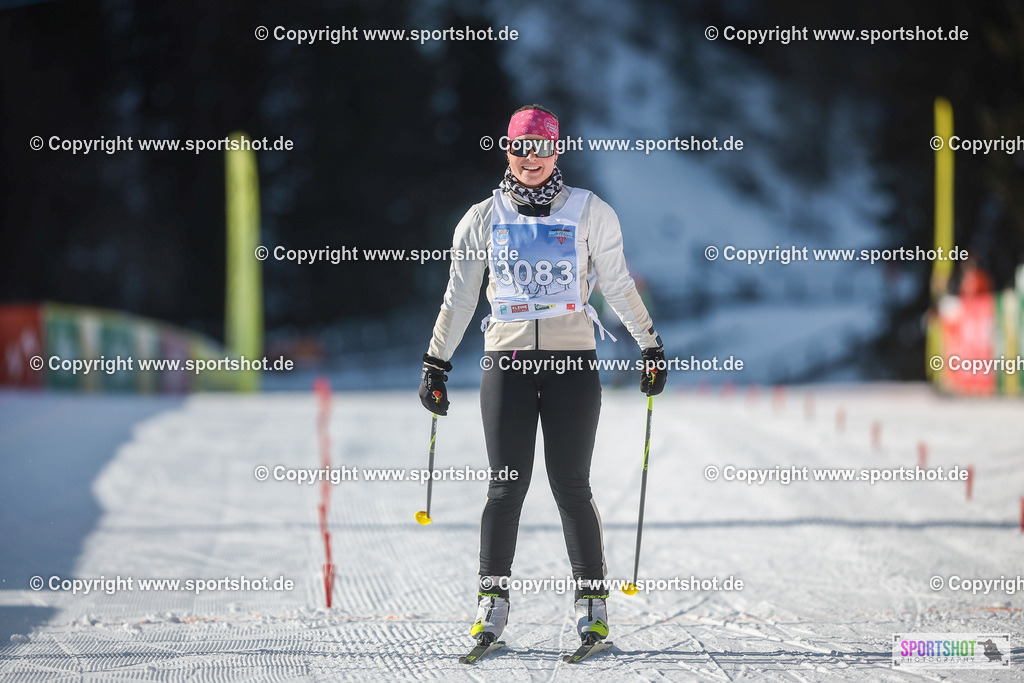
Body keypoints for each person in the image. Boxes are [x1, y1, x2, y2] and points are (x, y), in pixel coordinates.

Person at [418, 104, 667, 648]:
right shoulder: (482, 219)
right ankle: (492, 603)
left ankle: (593, 604)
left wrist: (650, 346)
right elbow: (459, 299)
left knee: (571, 485)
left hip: (572, 364)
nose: (529, 158)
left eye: (540, 147)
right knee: (505, 487)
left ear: (556, 151)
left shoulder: (590, 212)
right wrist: (435, 362)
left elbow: (619, 286)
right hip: (506, 363)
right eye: (518, 147)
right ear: (506, 150)